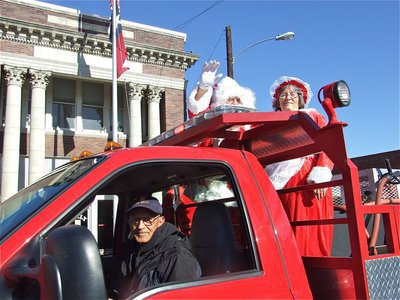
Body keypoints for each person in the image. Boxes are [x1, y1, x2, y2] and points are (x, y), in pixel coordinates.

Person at [265, 76, 334, 256]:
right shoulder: (268, 123)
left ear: (301, 98)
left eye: (293, 94)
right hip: (278, 182)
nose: (288, 97)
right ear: (277, 100)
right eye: (283, 94)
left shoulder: (312, 116)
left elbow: (328, 146)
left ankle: (310, 264)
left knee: (306, 228)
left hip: (305, 180)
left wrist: (320, 173)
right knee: (281, 225)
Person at [113, 196, 201, 298]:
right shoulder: (128, 250)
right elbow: (117, 288)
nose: (140, 226)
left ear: (160, 221)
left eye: (147, 220)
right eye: (136, 220)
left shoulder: (177, 256)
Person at [187, 60, 256, 118]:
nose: (235, 103)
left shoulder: (249, 125)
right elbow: (196, 112)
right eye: (230, 99)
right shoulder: (211, 117)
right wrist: (203, 88)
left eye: (238, 100)